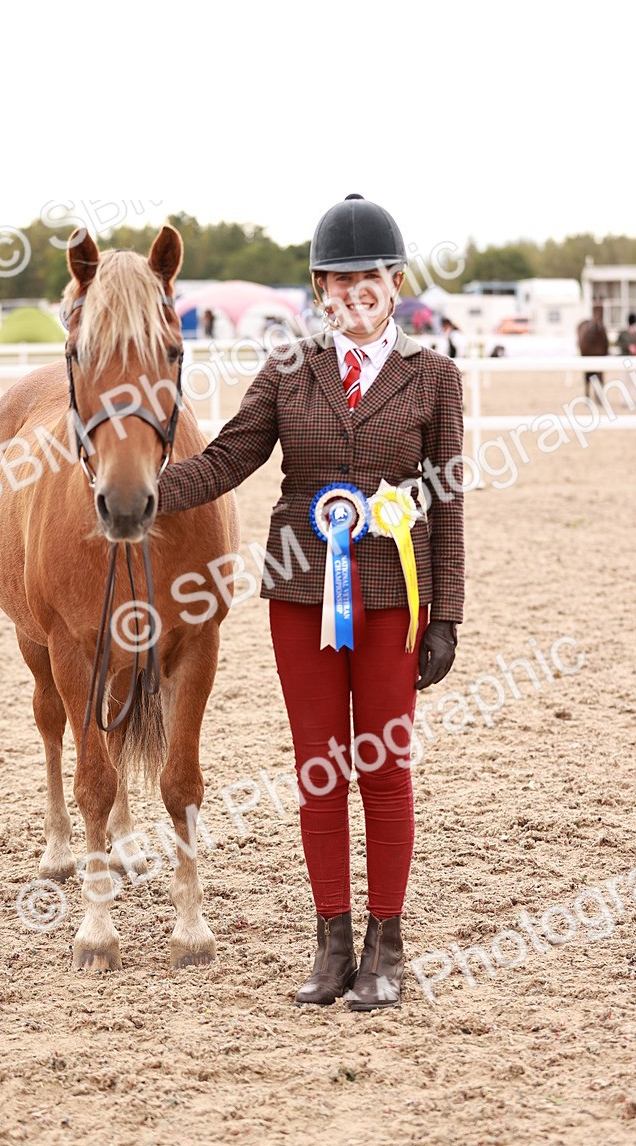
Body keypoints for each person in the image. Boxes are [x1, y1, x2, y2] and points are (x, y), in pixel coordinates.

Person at [157, 194, 464, 1011]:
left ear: (395, 282)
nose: (354, 293)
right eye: (338, 280)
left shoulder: (435, 378)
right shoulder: (290, 369)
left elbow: (448, 501)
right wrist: (146, 493)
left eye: (369, 279)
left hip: (396, 600)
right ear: (320, 288)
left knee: (385, 771)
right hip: (301, 597)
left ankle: (386, 946)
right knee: (319, 771)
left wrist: (448, 614)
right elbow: (228, 459)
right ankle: (332, 944)